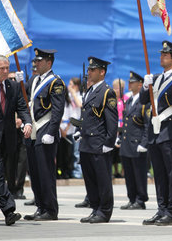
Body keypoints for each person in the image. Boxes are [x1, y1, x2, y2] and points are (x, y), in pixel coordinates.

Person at [141, 40, 172, 226]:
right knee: (159, 175)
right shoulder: (156, 78)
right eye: (161, 54)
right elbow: (144, 101)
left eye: (165, 55)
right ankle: (161, 209)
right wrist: (146, 86)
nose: (161, 57)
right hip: (155, 133)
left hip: (170, 133)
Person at [0, 55, 32, 226]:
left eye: (7, 67)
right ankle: (9, 210)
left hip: (9, 138)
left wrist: (27, 122)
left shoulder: (13, 86)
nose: (5, 71)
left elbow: (22, 107)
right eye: (1, 68)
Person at [23, 48, 65, 221]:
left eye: (39, 61)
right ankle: (40, 206)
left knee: (45, 172)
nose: (36, 63)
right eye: (35, 61)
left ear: (49, 63)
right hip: (34, 129)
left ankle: (50, 209)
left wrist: (52, 132)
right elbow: (24, 100)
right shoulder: (33, 79)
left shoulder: (55, 82)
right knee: (35, 172)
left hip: (46, 129)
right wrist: (16, 82)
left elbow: (57, 110)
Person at [78, 56, 118, 224]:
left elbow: (112, 120)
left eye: (93, 70)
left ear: (102, 72)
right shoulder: (90, 91)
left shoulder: (107, 91)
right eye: (88, 69)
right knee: (90, 180)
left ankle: (104, 211)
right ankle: (95, 208)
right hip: (86, 142)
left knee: (102, 180)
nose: (89, 72)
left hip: (99, 143)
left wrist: (109, 143)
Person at [119, 71, 149, 210]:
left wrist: (144, 143)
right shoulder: (130, 100)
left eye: (133, 82)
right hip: (127, 143)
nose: (129, 84)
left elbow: (147, 125)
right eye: (129, 82)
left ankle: (140, 199)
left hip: (137, 144)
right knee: (129, 174)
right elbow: (126, 122)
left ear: (140, 84)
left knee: (139, 173)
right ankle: (132, 198)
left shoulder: (144, 102)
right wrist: (120, 139)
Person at [60, 77, 83, 179]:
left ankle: (78, 172)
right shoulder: (68, 96)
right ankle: (70, 170)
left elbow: (80, 105)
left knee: (76, 150)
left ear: (76, 86)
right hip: (68, 127)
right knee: (69, 151)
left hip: (78, 126)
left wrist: (74, 93)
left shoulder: (80, 95)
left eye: (71, 84)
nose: (69, 87)